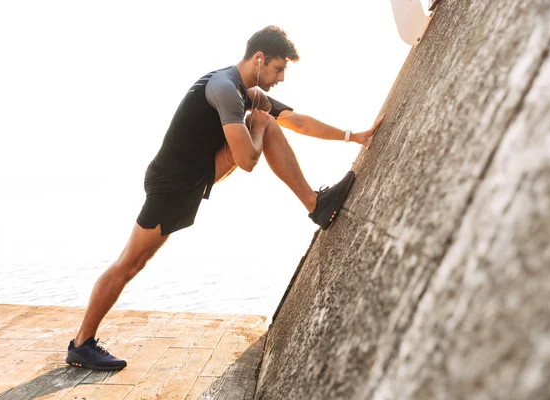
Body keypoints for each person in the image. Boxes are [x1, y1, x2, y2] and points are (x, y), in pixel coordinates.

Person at [65, 26, 385, 371]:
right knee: (130, 263)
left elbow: (297, 122)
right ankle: (82, 344)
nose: (280, 78)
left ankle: (315, 205)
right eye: (278, 69)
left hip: (195, 175)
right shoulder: (224, 89)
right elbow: (247, 160)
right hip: (171, 186)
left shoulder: (244, 91)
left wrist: (354, 137)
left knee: (271, 123)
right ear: (259, 58)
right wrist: (259, 127)